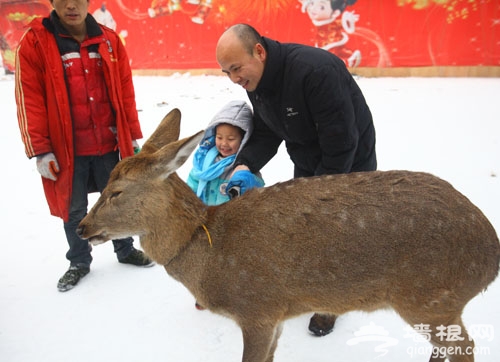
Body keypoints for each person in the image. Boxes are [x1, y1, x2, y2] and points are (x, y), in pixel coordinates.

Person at [215, 23, 377, 337]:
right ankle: (312, 284)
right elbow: (266, 130)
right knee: (308, 232)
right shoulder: (257, 80)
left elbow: (342, 143)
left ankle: (332, 302)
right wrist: (244, 165)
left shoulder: (316, 72)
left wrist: (316, 199)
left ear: (259, 51)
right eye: (227, 72)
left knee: (336, 234)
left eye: (236, 68)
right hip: (306, 159)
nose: (234, 79)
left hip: (349, 164)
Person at [15, 0, 153, 293]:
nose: (71, 6)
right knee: (74, 209)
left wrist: (131, 135)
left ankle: (125, 249)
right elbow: (30, 99)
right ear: (52, 2)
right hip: (67, 151)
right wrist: (41, 150)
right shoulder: (35, 42)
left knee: (116, 200)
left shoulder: (109, 39)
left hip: (108, 143)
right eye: (63, 0)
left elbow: (125, 89)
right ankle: (79, 261)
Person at [187, 99, 264, 206]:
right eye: (219, 137)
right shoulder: (205, 159)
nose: (224, 143)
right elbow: (194, 181)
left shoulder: (243, 165)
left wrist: (246, 180)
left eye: (231, 139)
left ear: (243, 140)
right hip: (205, 215)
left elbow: (258, 189)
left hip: (230, 218)